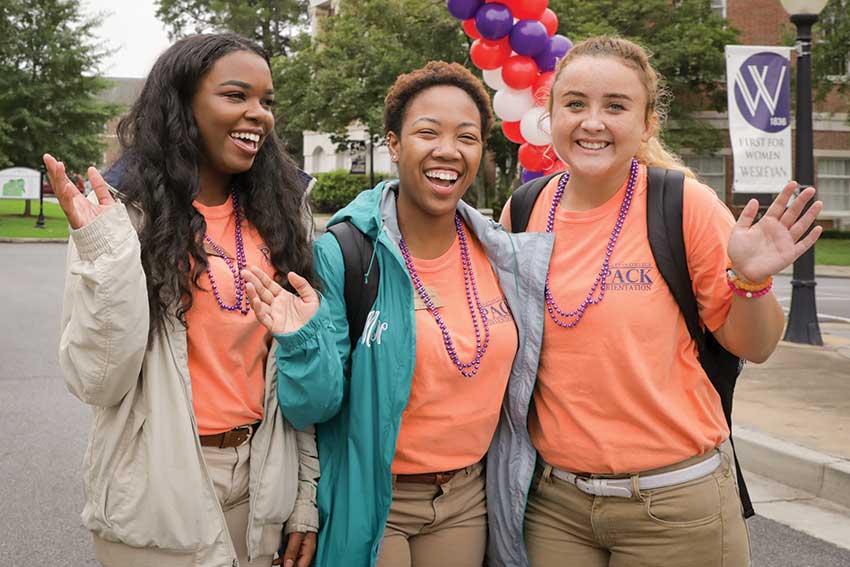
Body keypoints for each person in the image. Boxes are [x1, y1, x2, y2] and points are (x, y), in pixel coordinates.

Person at [498, 36, 823, 567]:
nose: (592, 122)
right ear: (550, 115)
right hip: (554, 505)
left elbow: (755, 345)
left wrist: (750, 279)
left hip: (674, 506)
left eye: (616, 106)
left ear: (647, 123)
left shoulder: (683, 205)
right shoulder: (525, 209)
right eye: (574, 104)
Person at [244, 61, 553, 567]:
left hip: (468, 498)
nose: (448, 150)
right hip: (373, 498)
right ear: (393, 143)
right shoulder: (344, 254)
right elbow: (311, 408)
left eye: (467, 137)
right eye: (427, 132)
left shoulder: (505, 256)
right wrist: (301, 341)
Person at [45, 33, 324, 567]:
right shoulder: (124, 216)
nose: (258, 114)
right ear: (182, 103)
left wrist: (304, 499)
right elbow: (96, 379)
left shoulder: (282, 216)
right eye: (235, 96)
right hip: (155, 492)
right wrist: (106, 257)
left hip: (261, 484)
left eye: (267, 101)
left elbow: (294, 377)